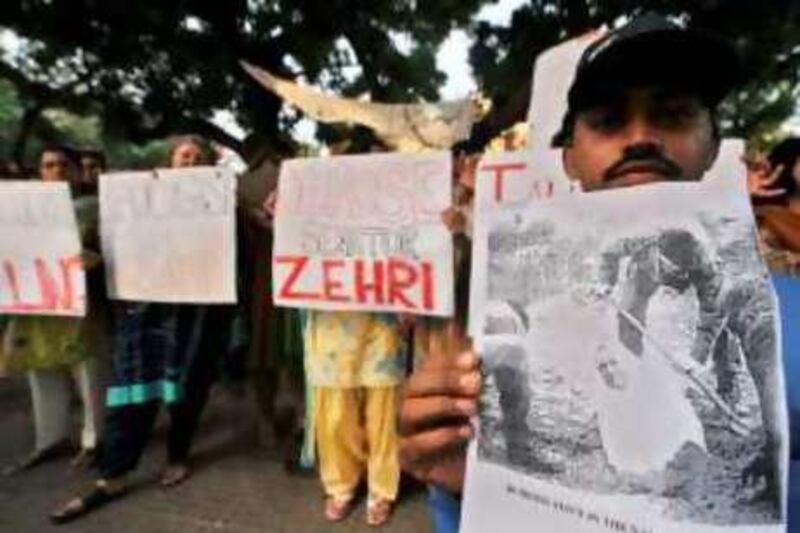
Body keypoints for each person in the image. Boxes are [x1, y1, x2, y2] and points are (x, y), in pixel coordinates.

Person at [398, 13, 799, 531]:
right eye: (609, 121)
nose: (640, 139)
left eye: (673, 115)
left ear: (715, 145)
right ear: (570, 158)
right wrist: (464, 492)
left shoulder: (774, 313)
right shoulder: (507, 335)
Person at [49, 135, 234, 524]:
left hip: (195, 312)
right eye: (185, 156)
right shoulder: (136, 201)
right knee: (131, 392)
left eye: (199, 158)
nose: (190, 162)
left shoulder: (221, 204)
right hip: (144, 312)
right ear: (170, 161)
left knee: (186, 388)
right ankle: (114, 475)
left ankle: (178, 455)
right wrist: (94, 262)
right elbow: (112, 251)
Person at [1, 144, 107, 475]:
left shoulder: (97, 209)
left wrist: (97, 260)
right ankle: (50, 439)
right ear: (39, 172)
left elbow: (122, 252)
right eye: (49, 166)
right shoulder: (16, 211)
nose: (57, 171)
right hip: (37, 308)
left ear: (76, 171)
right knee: (42, 372)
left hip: (82, 304)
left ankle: (94, 442)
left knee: (88, 373)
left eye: (63, 165)